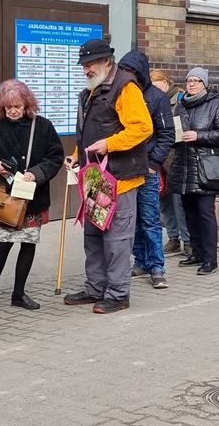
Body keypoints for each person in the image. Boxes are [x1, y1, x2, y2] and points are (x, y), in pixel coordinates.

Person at [63, 39, 153, 313]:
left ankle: (118, 294)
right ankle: (96, 288)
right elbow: (90, 131)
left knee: (116, 239)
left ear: (106, 62)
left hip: (120, 179)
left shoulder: (125, 86)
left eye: (89, 64)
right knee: (93, 235)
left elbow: (142, 127)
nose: (85, 70)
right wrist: (77, 155)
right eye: (83, 65)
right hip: (95, 178)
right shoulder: (93, 90)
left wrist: (110, 144)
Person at [0, 80, 64, 313]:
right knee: (3, 243)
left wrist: (36, 174)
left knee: (28, 243)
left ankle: (19, 292)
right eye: (8, 108)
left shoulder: (43, 126)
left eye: (17, 106)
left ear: (26, 104)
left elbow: (55, 156)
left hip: (33, 197)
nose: (13, 111)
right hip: (8, 199)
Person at [169, 67, 219, 275]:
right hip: (184, 165)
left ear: (205, 84)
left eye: (196, 81)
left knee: (205, 213)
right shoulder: (181, 106)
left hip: (206, 168)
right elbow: (175, 132)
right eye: (189, 80)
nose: (192, 84)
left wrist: (199, 136)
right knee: (189, 213)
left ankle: (210, 259)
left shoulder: (216, 105)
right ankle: (195, 252)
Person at [121, 52, 175, 289]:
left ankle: (157, 267)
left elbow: (166, 134)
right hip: (124, 168)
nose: (127, 76)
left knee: (150, 219)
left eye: (130, 71)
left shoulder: (156, 97)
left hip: (147, 169)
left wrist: (154, 164)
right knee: (132, 220)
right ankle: (140, 261)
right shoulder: (120, 93)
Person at [151, 69, 191, 256]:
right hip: (160, 157)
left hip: (177, 156)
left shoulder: (181, 99)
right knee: (164, 201)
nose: (156, 90)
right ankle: (173, 237)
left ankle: (187, 240)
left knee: (178, 202)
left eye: (158, 86)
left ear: (167, 82)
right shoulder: (153, 100)